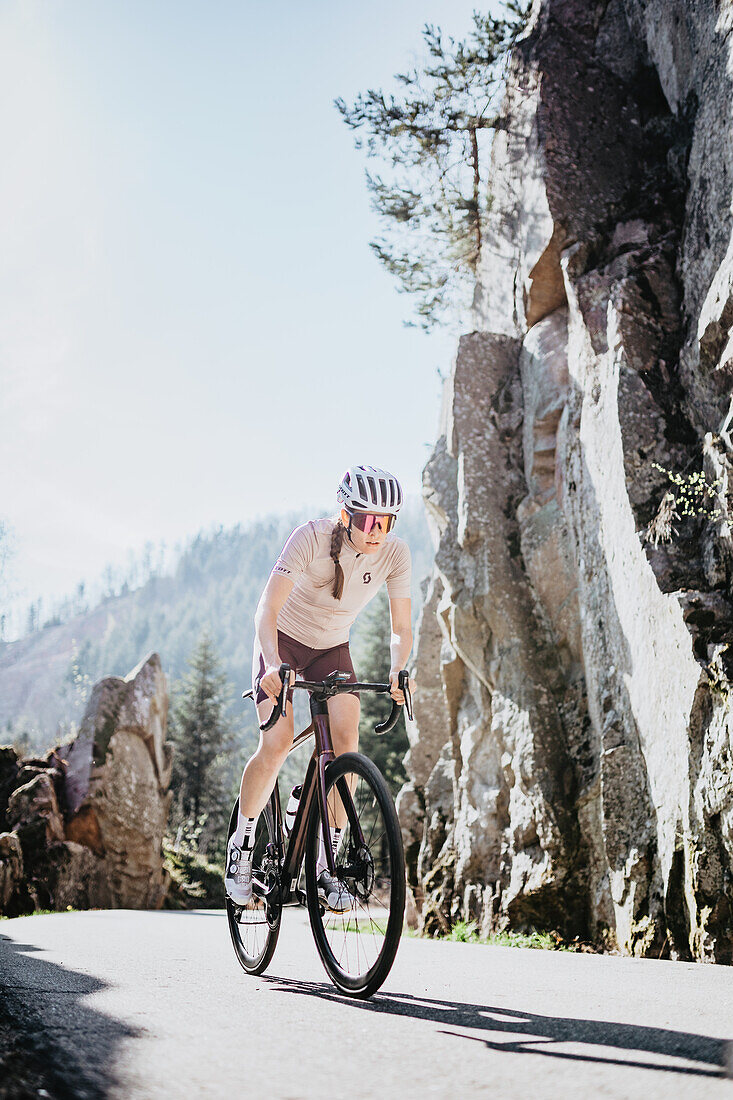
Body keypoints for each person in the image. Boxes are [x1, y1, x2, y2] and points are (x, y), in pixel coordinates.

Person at [225, 464, 413, 912]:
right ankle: (241, 848)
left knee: (346, 750)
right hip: (283, 642)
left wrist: (398, 668)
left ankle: (324, 866)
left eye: (386, 522)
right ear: (345, 515)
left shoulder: (394, 554)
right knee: (277, 742)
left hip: (332, 649)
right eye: (368, 520)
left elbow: (401, 627)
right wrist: (272, 664)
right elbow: (265, 611)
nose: (376, 531)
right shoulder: (309, 538)